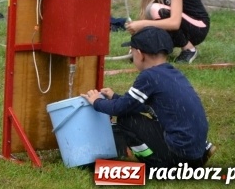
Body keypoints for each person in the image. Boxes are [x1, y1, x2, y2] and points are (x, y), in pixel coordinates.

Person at [82, 26, 213, 169]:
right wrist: (114, 96)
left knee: (127, 120)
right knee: (146, 116)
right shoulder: (171, 73)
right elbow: (143, 106)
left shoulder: (149, 76)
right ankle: (196, 157)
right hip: (195, 152)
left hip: (179, 156)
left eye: (132, 53)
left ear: (140, 54)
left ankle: (157, 164)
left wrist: (96, 101)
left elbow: (121, 109)